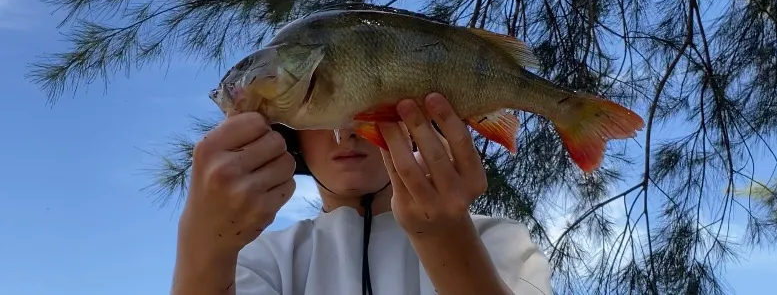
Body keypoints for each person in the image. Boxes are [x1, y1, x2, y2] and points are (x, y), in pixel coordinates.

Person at [171, 91, 552, 295]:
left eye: (368, 107)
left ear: (412, 121)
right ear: (293, 136)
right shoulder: (261, 260)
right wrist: (202, 247)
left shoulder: (497, 240)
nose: (347, 129)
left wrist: (445, 241)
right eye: (325, 108)